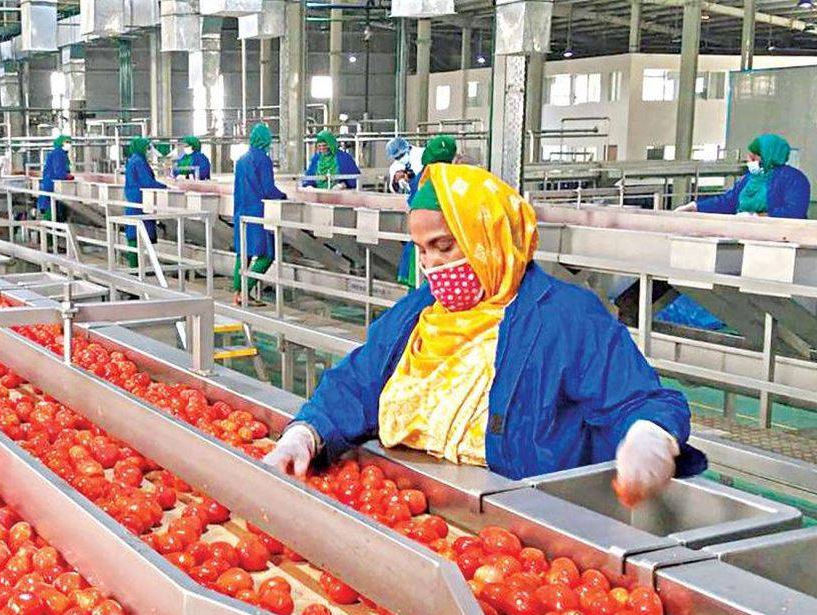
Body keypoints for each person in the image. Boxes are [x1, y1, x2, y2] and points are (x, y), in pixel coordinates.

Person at [264, 163, 705, 506]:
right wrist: (309, 431)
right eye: (421, 250)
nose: (432, 265)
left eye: (444, 246)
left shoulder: (564, 318)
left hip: (525, 519)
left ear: (486, 239)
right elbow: (357, 383)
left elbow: (642, 399)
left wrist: (649, 436)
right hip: (418, 504)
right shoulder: (419, 313)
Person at [676, 134, 810, 219]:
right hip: (747, 233)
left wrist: (759, 217)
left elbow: (794, 211)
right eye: (749, 155)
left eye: (755, 156)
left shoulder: (794, 179)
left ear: (769, 155)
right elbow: (729, 201)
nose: (749, 159)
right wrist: (696, 206)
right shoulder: (750, 178)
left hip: (780, 240)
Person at [231, 123, 289, 304]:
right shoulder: (263, 160)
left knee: (243, 253)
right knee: (266, 255)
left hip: (241, 210)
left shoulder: (241, 160)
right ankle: (245, 290)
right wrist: (283, 196)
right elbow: (268, 189)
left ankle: (237, 293)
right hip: (258, 212)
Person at [397, 134, 459, 286]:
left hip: (427, 242)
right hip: (444, 249)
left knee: (424, 290)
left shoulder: (426, 177)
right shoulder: (454, 178)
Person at [122, 136, 167, 268]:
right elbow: (147, 182)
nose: (149, 150)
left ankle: (136, 267)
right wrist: (164, 187)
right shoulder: (139, 162)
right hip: (141, 200)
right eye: (148, 148)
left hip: (134, 198)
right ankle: (137, 268)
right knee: (140, 233)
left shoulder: (134, 160)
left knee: (135, 233)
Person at [37, 135, 74, 221]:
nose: (69, 145)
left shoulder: (60, 153)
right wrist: (67, 176)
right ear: (60, 143)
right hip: (52, 184)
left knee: (52, 208)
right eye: (67, 142)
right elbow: (58, 171)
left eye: (69, 142)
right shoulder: (58, 153)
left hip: (50, 183)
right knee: (53, 210)